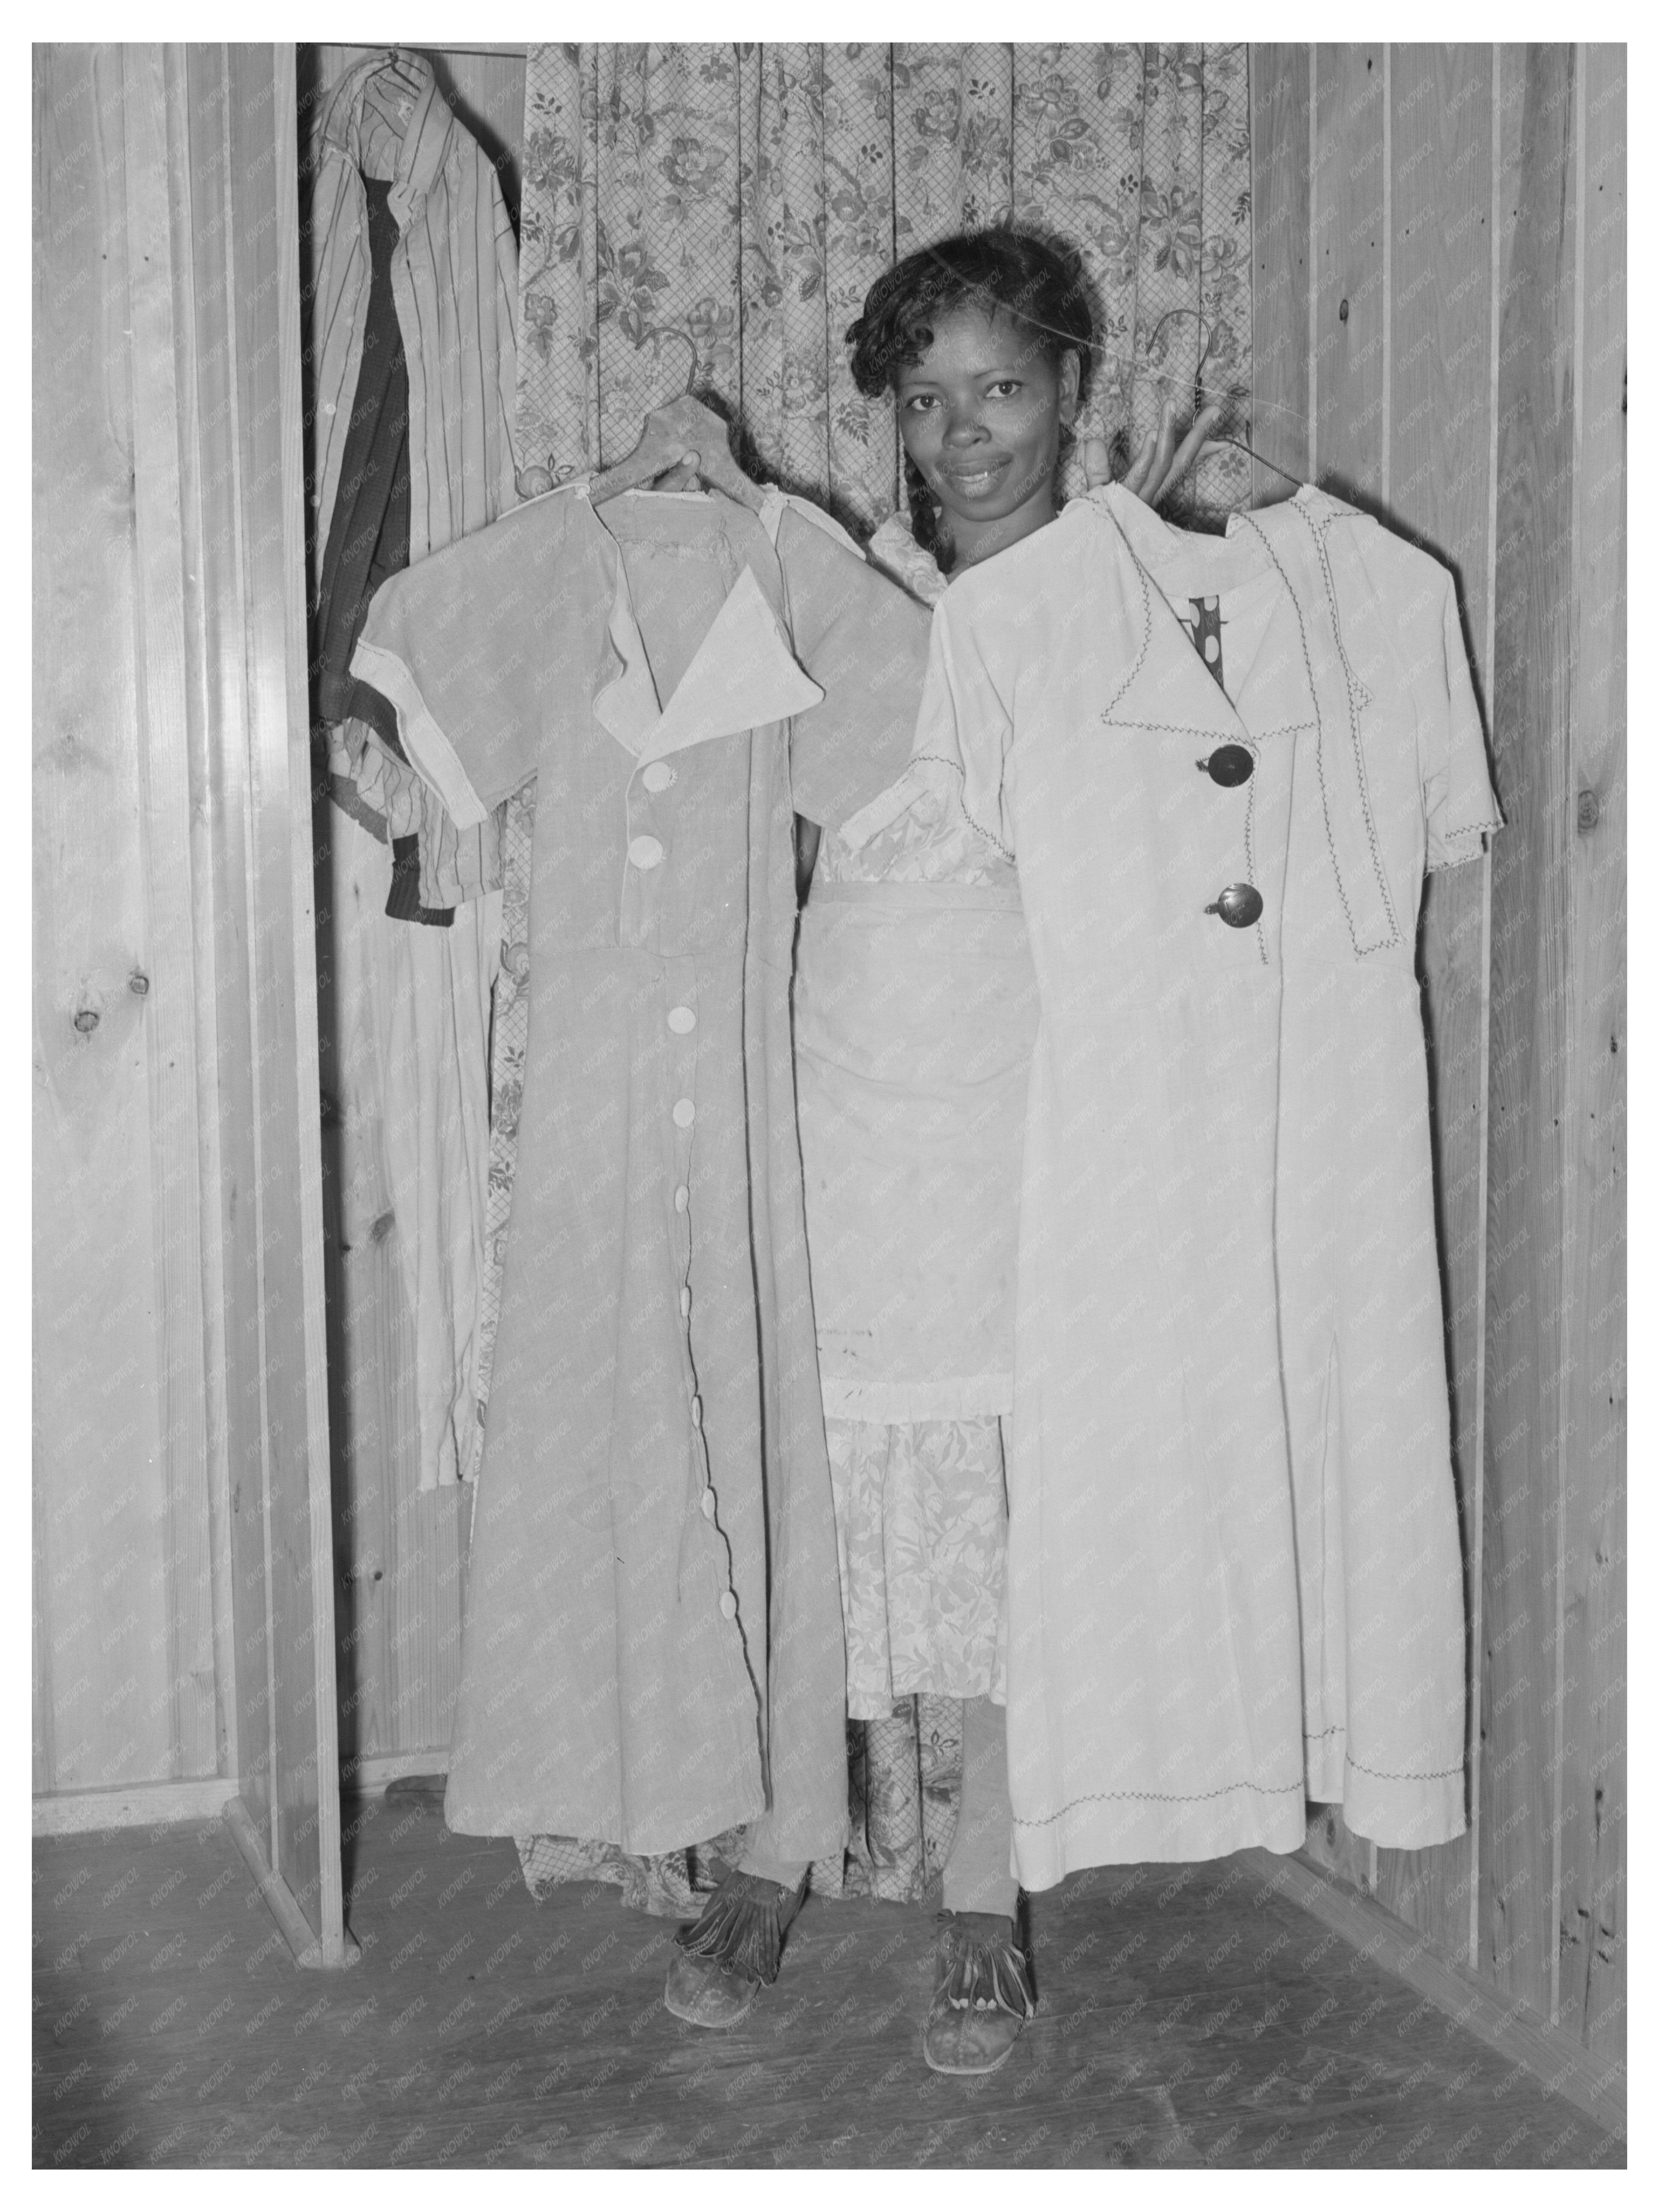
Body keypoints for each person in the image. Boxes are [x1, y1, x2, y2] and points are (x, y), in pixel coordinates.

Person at [639, 229, 1215, 2074]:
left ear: (1071, 391)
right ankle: (777, 1850)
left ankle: (987, 1891)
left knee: (1003, 1518)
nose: (965, 435)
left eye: (1004, 389)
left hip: (1037, 1124)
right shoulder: (845, 592)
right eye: (925, 397)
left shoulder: (1136, 599)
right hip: (844, 1111)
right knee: (827, 1502)